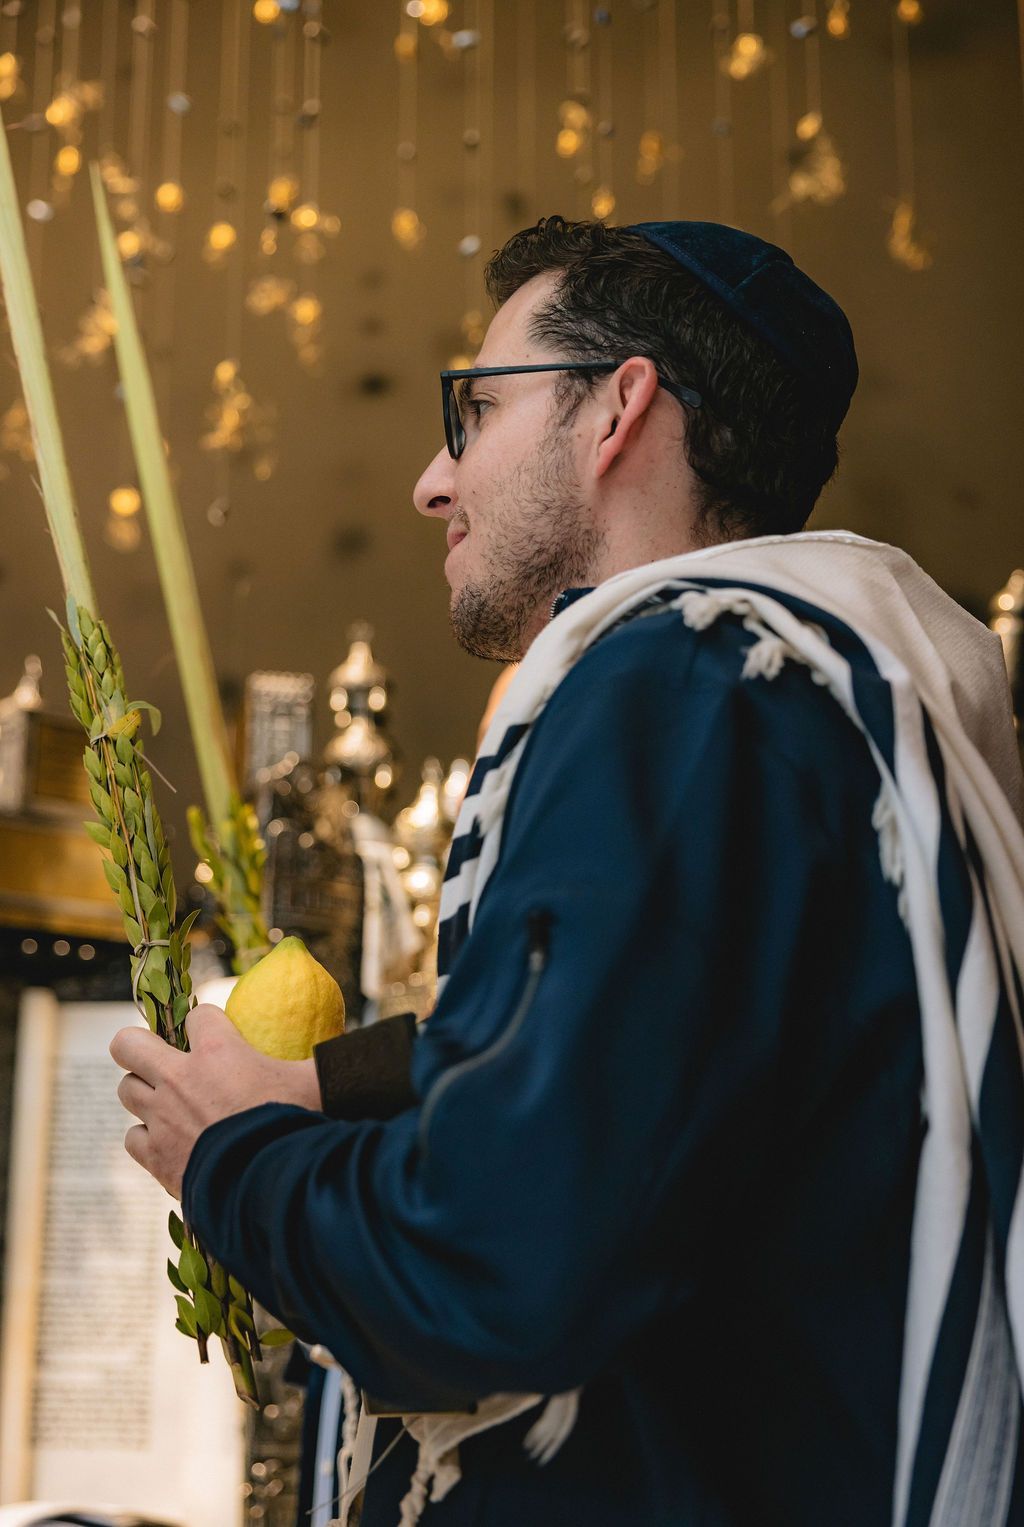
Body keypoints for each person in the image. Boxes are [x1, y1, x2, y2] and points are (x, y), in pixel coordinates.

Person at [110, 217, 1024, 1526]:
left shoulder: (682, 680)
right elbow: (637, 1083)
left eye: (476, 411)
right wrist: (324, 1089)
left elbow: (492, 1263)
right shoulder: (800, 694)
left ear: (617, 410)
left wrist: (232, 1155)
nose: (433, 482)